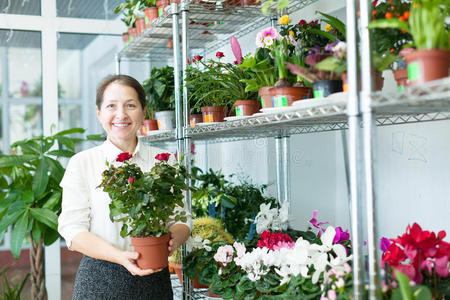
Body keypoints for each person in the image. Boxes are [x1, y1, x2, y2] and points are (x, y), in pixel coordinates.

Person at [58, 74, 191, 300]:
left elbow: (182, 220)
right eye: (111, 106)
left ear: (143, 111)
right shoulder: (83, 162)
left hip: (154, 280)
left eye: (130, 105)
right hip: (100, 279)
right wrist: (119, 256)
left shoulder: (163, 161)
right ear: (99, 113)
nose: (121, 115)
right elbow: (72, 230)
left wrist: (169, 243)